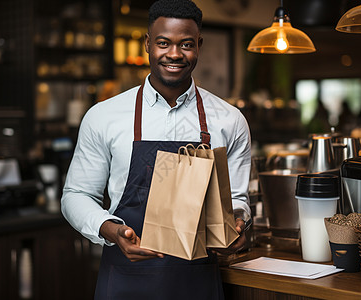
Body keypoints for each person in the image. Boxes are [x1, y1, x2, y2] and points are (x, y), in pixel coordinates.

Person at [61, 0, 252, 299]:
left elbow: (238, 199)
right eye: (164, 43)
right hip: (126, 278)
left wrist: (240, 223)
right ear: (148, 44)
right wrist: (111, 230)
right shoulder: (104, 116)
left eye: (186, 44)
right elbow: (76, 195)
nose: (174, 54)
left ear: (199, 45)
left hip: (198, 280)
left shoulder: (230, 120)